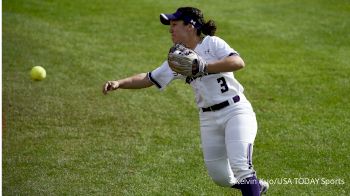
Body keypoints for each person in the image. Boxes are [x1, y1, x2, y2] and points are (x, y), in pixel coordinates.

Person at [102, 7, 269, 195]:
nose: (170, 30)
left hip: (235, 111)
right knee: (221, 177)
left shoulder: (211, 43)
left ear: (191, 26)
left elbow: (238, 62)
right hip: (208, 119)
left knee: (241, 166)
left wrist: (203, 67)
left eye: (174, 24)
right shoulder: (178, 60)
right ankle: (256, 187)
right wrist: (119, 83)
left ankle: (250, 185)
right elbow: (149, 78)